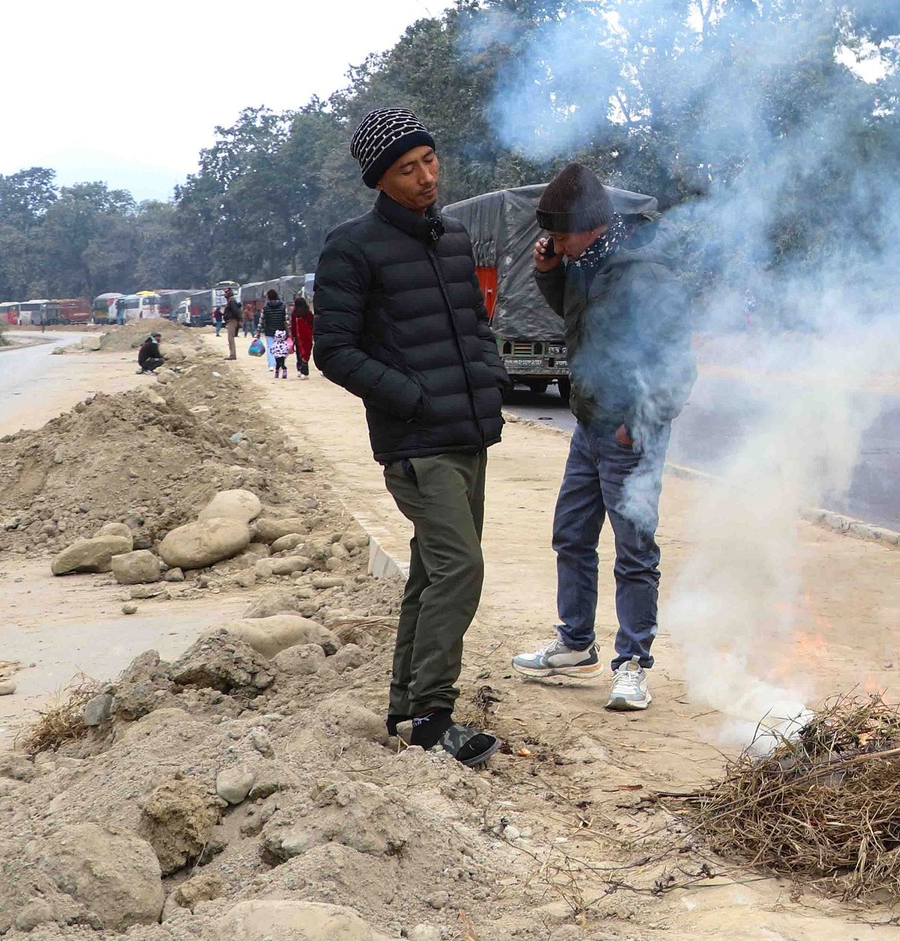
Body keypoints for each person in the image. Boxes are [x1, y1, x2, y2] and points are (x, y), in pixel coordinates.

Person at [315, 107, 508, 767]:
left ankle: (404, 708)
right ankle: (433, 713)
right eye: (407, 169)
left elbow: (474, 325)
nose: (426, 177)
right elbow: (334, 350)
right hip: (416, 443)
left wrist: (490, 377)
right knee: (462, 567)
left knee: (431, 572)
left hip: (468, 434)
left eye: (429, 160)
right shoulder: (353, 247)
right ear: (379, 179)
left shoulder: (451, 237)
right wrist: (412, 397)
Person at [511, 163, 695, 714]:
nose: (554, 244)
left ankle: (633, 663)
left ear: (590, 226)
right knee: (571, 535)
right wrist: (549, 273)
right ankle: (575, 643)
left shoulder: (645, 275)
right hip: (588, 426)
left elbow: (678, 365)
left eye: (560, 236)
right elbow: (581, 326)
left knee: (634, 552)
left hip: (629, 432)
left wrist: (638, 421)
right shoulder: (585, 264)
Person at [290, 293, 315, 378]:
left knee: (299, 352)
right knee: (306, 352)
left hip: (298, 336)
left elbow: (293, 325)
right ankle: (305, 370)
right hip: (307, 335)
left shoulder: (295, 313)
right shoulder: (308, 313)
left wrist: (292, 336)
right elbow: (313, 323)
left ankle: (301, 370)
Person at [222, 286, 242, 360]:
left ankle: (232, 355)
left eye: (226, 293)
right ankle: (232, 354)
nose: (225, 294)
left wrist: (239, 320)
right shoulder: (231, 301)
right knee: (230, 338)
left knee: (230, 338)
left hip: (232, 321)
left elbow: (236, 311)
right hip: (231, 320)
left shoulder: (232, 301)